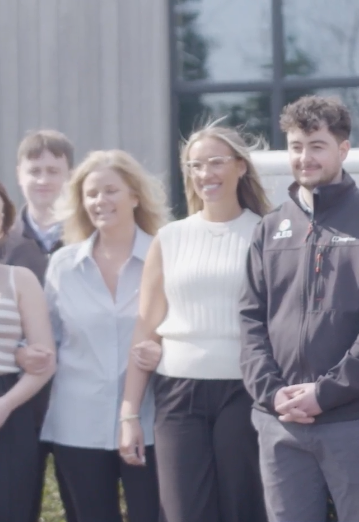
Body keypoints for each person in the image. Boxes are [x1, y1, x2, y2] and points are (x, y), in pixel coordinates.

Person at [240, 95, 359, 522]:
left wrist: (326, 392)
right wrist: (272, 392)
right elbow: (251, 320)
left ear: (343, 149)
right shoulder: (269, 228)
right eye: (296, 146)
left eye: (316, 145)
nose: (304, 157)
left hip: (354, 421)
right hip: (279, 421)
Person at [120, 124, 270, 522]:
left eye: (216, 162)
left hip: (246, 390)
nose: (206, 174)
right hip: (177, 393)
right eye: (196, 165)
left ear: (241, 166)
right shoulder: (169, 238)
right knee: (184, 512)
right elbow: (145, 328)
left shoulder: (267, 234)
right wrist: (129, 413)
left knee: (244, 509)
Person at [42, 150, 168, 522]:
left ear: (134, 195)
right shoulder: (63, 265)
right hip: (77, 424)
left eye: (110, 190)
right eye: (91, 193)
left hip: (151, 421)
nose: (100, 201)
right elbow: (48, 338)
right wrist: (25, 353)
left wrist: (165, 353)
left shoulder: (167, 255)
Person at [0, 129, 77, 522]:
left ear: (69, 175)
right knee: (17, 503)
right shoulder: (4, 240)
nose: (43, 180)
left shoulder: (88, 237)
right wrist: (16, 349)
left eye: (53, 171)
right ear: (18, 174)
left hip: (78, 393)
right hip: (20, 397)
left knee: (82, 501)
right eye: (34, 170)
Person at [0, 178, 57, 522]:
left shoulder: (20, 280)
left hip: (8, 406)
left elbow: (45, 361)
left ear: (2, 226)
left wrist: (4, 405)